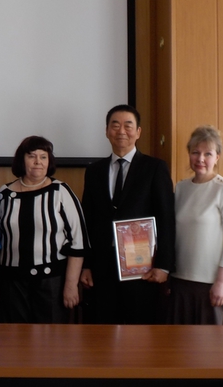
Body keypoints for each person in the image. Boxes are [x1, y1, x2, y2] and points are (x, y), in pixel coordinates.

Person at [80, 104, 175, 324]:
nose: (121, 131)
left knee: (139, 332)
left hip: (142, 268)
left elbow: (166, 218)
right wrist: (86, 265)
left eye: (128, 125)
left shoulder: (154, 168)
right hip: (102, 268)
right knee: (102, 330)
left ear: (138, 132)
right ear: (107, 131)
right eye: (115, 125)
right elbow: (88, 220)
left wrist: (163, 265)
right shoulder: (94, 171)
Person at [0, 136, 89, 323]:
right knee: (14, 337)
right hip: (12, 283)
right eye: (32, 156)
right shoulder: (4, 194)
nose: (38, 161)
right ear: (22, 160)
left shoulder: (61, 191)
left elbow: (78, 242)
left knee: (51, 338)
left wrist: (71, 285)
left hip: (52, 282)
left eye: (43, 157)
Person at [169, 125, 223, 324]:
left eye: (207, 154)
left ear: (217, 157)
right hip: (180, 280)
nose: (200, 159)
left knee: (212, 342)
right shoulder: (181, 188)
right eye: (195, 152)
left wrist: (221, 281)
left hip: (211, 284)